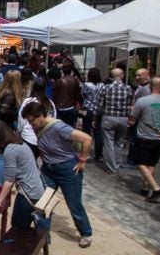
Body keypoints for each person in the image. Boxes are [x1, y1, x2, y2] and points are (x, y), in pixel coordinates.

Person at [22, 101, 94, 248]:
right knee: (43, 202)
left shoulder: (59, 127)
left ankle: (86, 233)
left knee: (74, 203)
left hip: (68, 169)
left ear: (41, 116)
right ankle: (42, 235)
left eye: (32, 120)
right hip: (49, 169)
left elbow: (87, 139)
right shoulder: (38, 126)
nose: (30, 124)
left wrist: (82, 161)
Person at [0, 119, 46, 229]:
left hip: (28, 194)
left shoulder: (10, 150)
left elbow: (9, 181)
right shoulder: (19, 141)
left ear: (0, 135)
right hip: (38, 189)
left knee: (18, 228)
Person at [130, 77, 160, 201]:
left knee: (140, 163)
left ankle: (156, 188)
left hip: (145, 136)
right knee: (151, 163)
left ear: (150, 87)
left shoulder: (142, 101)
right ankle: (145, 187)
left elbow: (132, 119)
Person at [96, 68, 132, 174]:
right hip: (123, 118)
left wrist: (95, 117)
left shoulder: (106, 87)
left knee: (108, 143)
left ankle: (111, 167)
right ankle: (116, 164)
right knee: (119, 143)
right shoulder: (128, 88)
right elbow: (130, 104)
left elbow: (99, 105)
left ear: (111, 77)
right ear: (122, 75)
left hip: (109, 117)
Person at [81, 68, 105, 160]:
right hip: (98, 109)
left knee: (86, 132)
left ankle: (86, 152)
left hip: (88, 109)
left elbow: (82, 93)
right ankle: (99, 155)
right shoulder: (102, 85)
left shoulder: (87, 84)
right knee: (98, 132)